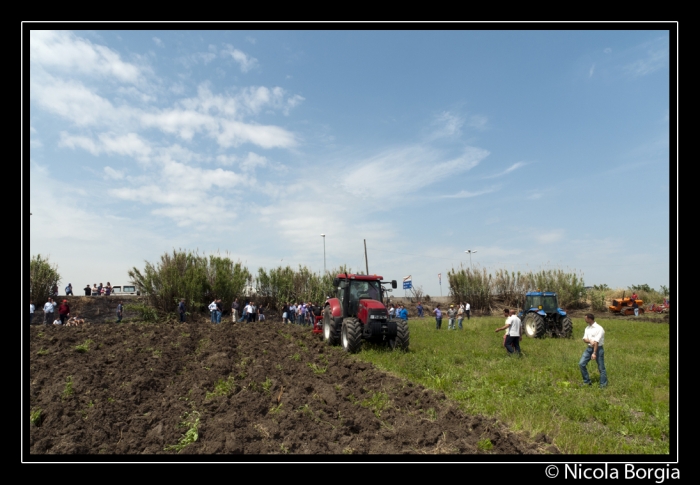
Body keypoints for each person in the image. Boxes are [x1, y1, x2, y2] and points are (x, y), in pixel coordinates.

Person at [579, 313, 607, 388]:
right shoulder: (587, 328)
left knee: (601, 367)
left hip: (598, 349)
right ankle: (587, 382)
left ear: (589, 319)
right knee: (581, 364)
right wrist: (590, 341)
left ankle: (603, 385)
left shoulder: (599, 328)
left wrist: (594, 353)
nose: (585, 319)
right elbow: (584, 339)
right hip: (589, 349)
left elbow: (596, 342)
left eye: (585, 318)